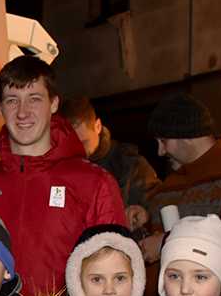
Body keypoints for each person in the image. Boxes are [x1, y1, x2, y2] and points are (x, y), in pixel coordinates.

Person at [0, 55, 126, 296]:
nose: (23, 112)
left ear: (54, 103)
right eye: (12, 101)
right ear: (0, 108)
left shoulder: (93, 183)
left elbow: (118, 275)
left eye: (34, 99)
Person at [139, 93, 221, 296]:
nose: (160, 152)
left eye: (163, 141)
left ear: (185, 136)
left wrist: (167, 241)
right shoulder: (166, 188)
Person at [60, 96, 158, 234]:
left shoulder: (130, 164)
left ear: (98, 126)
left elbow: (159, 203)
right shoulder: (60, 170)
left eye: (84, 142)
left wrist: (145, 214)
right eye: (72, 145)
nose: (79, 151)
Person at [66, 224, 146, 296]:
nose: (109, 290)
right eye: (97, 279)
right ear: (77, 284)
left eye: (120, 278)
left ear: (137, 281)